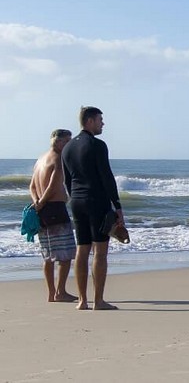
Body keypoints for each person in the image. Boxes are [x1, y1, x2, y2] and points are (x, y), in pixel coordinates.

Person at [61, 106, 125, 310]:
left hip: (77, 201)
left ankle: (82, 300)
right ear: (89, 121)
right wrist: (117, 206)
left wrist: (74, 198)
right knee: (100, 251)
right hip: (96, 200)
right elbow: (106, 176)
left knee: (82, 248)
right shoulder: (97, 145)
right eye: (100, 120)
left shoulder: (67, 147)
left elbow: (67, 180)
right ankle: (98, 301)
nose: (102, 124)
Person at [29, 129, 78, 303]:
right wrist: (42, 202)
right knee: (64, 255)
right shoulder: (58, 159)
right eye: (67, 141)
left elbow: (32, 186)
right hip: (55, 208)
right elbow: (53, 185)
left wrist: (37, 202)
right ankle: (60, 292)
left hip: (42, 211)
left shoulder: (40, 159)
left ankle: (51, 293)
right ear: (58, 142)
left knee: (48, 255)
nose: (69, 145)